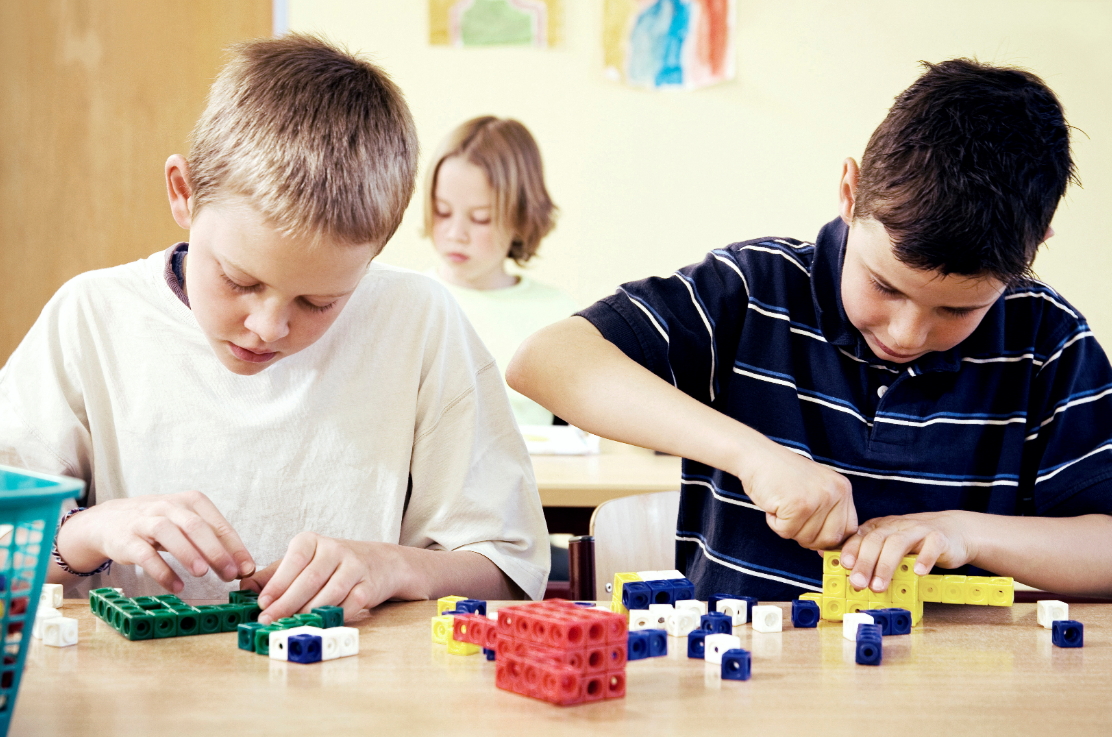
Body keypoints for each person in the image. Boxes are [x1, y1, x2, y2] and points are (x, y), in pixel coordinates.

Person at [508, 58, 1112, 600]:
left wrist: (963, 532)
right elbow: (545, 359)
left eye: (956, 311)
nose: (905, 334)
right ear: (850, 193)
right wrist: (754, 456)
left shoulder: (1048, 341)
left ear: (1035, 248)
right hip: (739, 691)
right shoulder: (755, 290)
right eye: (885, 286)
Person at [0, 35, 549, 623]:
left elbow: (512, 573)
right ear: (184, 194)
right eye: (238, 280)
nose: (267, 327)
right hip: (129, 700)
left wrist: (399, 566)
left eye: (320, 302)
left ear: (374, 257)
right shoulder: (91, 317)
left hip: (360, 699)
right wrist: (88, 531)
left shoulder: (418, 320)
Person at [425, 116, 577, 426]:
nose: (456, 233)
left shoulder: (557, 316)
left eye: (480, 218)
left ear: (521, 215)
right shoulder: (411, 301)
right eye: (442, 211)